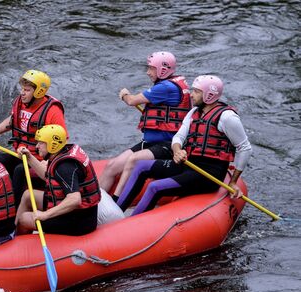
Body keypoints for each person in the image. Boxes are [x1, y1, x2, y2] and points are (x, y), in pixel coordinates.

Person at [116, 75, 252, 216]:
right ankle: (116, 212)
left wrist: (234, 181)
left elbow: (245, 148)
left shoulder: (227, 117)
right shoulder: (194, 113)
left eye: (196, 92)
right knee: (141, 166)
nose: (191, 95)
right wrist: (177, 150)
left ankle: (131, 223)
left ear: (209, 95)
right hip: (188, 164)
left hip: (208, 174)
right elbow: (179, 137)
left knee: (155, 187)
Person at [100, 51, 191, 201]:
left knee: (133, 160)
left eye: (151, 68)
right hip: (150, 143)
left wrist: (124, 94)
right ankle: (95, 206)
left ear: (163, 69)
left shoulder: (166, 88)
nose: (148, 72)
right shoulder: (168, 85)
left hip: (168, 145)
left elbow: (132, 100)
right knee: (112, 166)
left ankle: (116, 201)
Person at [0, 69, 67, 206]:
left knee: (19, 171)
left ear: (39, 92)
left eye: (27, 90)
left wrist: (49, 162)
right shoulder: (21, 102)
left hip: (38, 159)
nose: (22, 93)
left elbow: (62, 140)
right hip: (20, 153)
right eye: (22, 89)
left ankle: (15, 209)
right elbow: (13, 120)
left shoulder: (52, 110)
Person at [16, 125, 100, 236]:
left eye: (41, 143)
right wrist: (30, 157)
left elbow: (75, 199)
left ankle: (19, 246)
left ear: (53, 145)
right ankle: (14, 235)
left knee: (24, 218)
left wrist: (45, 215)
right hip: (72, 213)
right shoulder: (61, 153)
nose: (37, 146)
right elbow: (47, 175)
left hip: (79, 221)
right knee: (28, 196)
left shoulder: (64, 168)